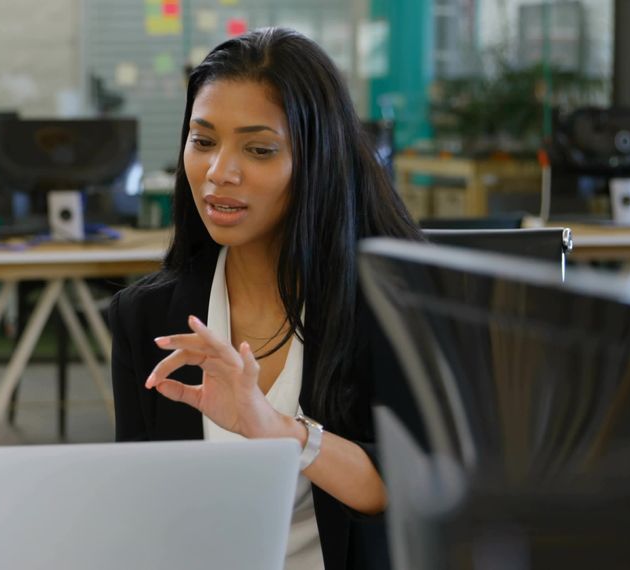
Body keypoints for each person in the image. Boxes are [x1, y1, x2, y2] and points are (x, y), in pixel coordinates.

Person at [109, 28, 422, 570]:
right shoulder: (148, 317)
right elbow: (141, 511)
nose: (219, 173)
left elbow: (412, 490)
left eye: (258, 149)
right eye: (203, 141)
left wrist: (281, 431)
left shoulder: (387, 306)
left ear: (316, 159)